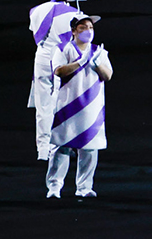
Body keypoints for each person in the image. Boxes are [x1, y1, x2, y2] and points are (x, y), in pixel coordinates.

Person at [46, 14, 112, 199]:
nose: (88, 31)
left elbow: (108, 75)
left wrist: (97, 63)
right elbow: (59, 71)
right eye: (83, 27)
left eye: (90, 27)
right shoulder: (62, 48)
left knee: (90, 149)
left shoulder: (99, 51)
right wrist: (81, 62)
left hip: (92, 105)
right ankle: (54, 186)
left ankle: (84, 187)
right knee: (61, 147)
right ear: (74, 31)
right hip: (67, 105)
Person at [28, 0, 84, 161]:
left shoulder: (36, 11)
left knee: (42, 106)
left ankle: (43, 150)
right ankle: (61, 145)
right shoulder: (72, 13)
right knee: (62, 102)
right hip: (60, 57)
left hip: (41, 57)